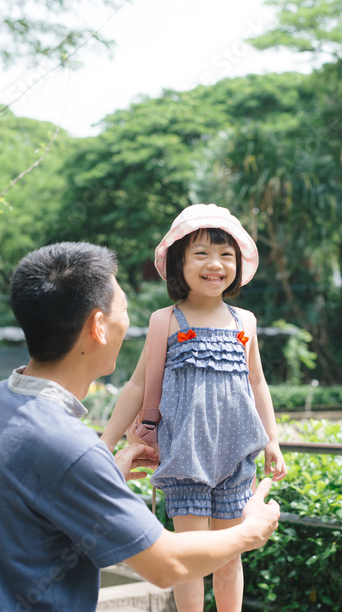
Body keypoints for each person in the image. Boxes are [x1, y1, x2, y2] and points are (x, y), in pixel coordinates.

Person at [0, 242, 279, 612]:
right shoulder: (70, 447)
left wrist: (104, 468)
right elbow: (169, 565)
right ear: (99, 327)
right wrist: (251, 531)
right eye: (124, 309)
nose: (131, 321)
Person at [102, 204, 287, 612]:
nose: (215, 264)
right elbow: (136, 384)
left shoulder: (246, 322)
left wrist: (272, 440)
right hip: (185, 456)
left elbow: (257, 382)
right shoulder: (165, 320)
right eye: (201, 253)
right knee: (190, 562)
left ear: (238, 265)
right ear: (179, 264)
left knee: (228, 558)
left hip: (236, 457)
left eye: (226, 255)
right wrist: (105, 442)